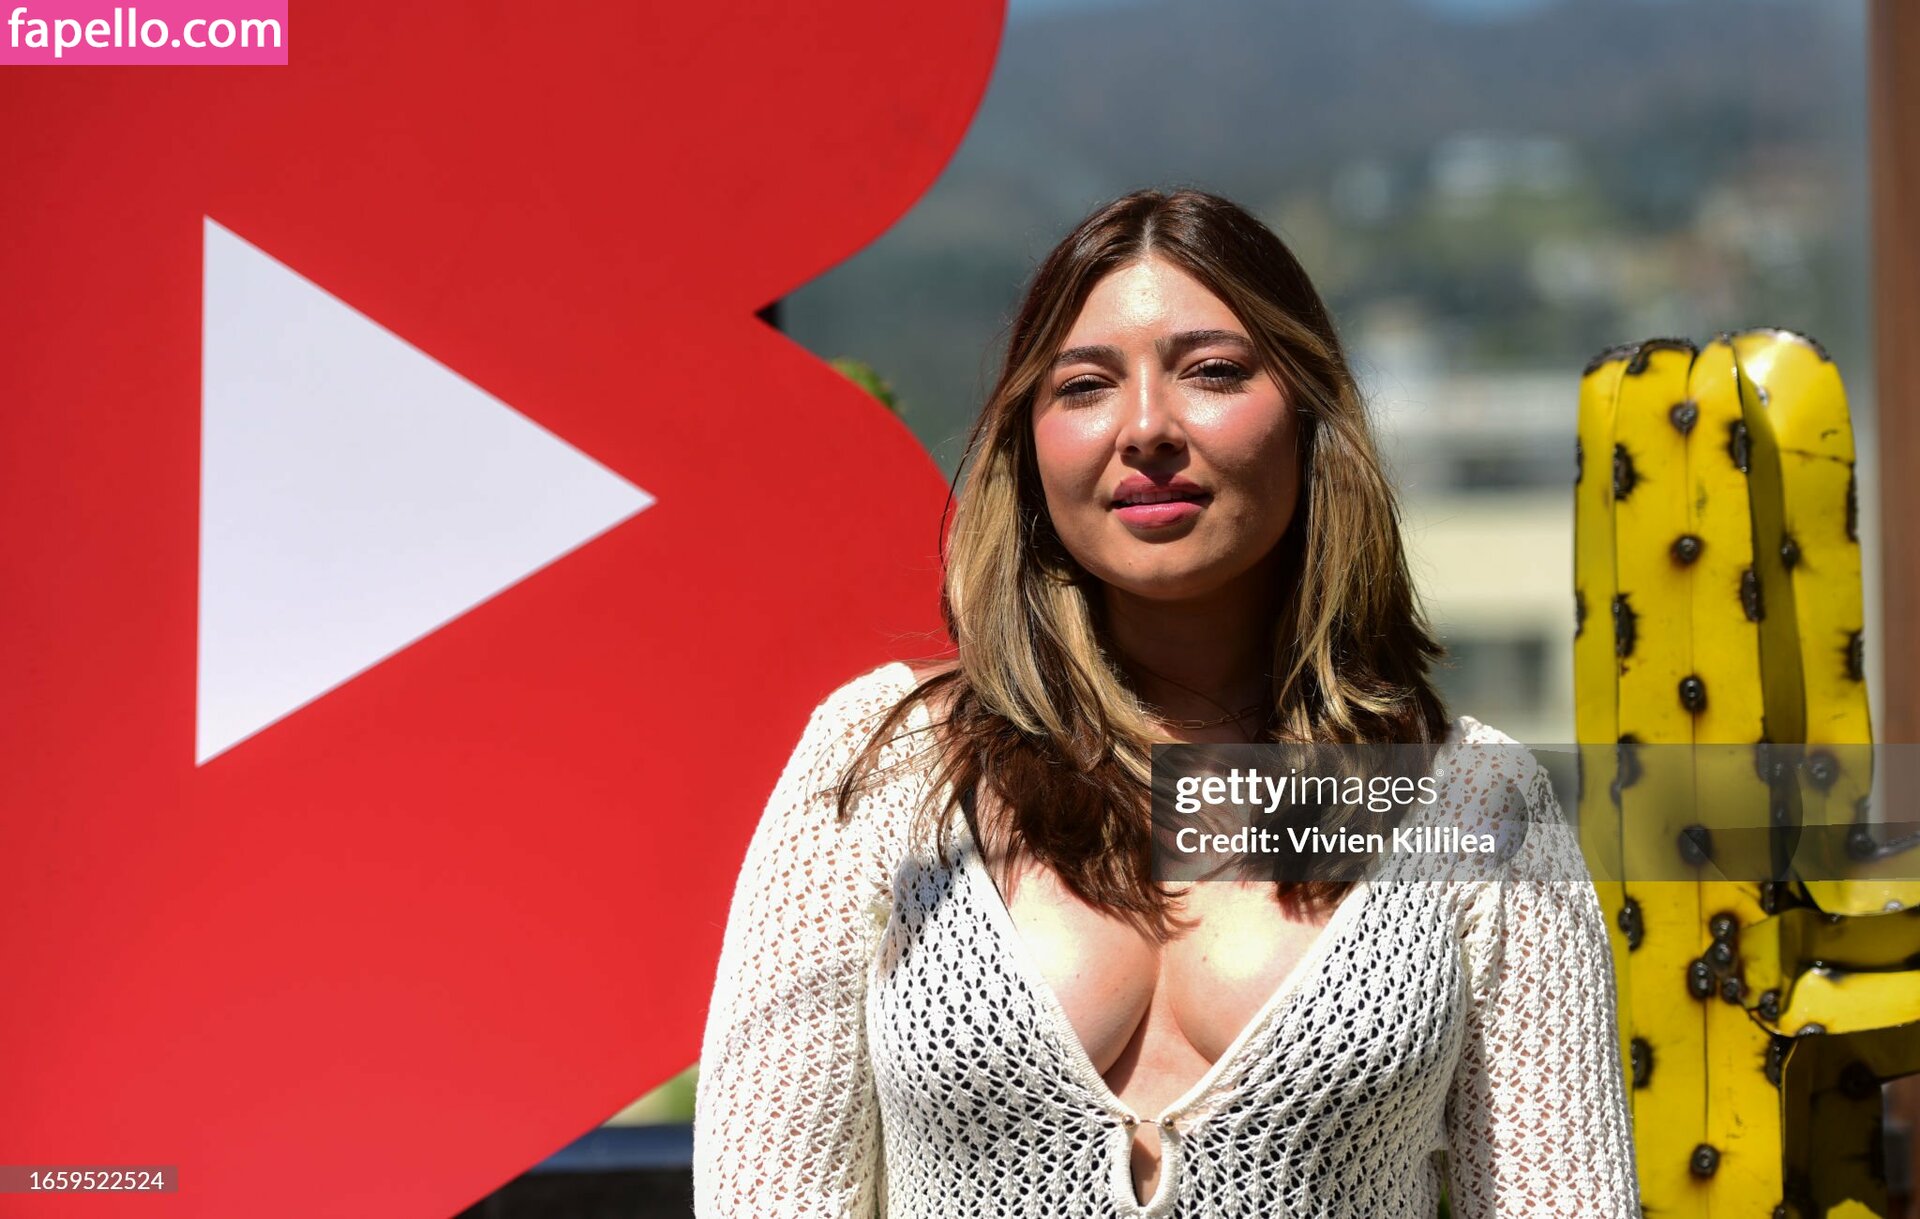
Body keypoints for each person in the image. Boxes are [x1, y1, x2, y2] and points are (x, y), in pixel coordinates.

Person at [693, 188, 1638, 1217]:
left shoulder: (1469, 802)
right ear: (1029, 446)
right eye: (1084, 385)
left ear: (1310, 416)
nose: (1146, 427)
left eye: (1212, 372)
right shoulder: (888, 766)